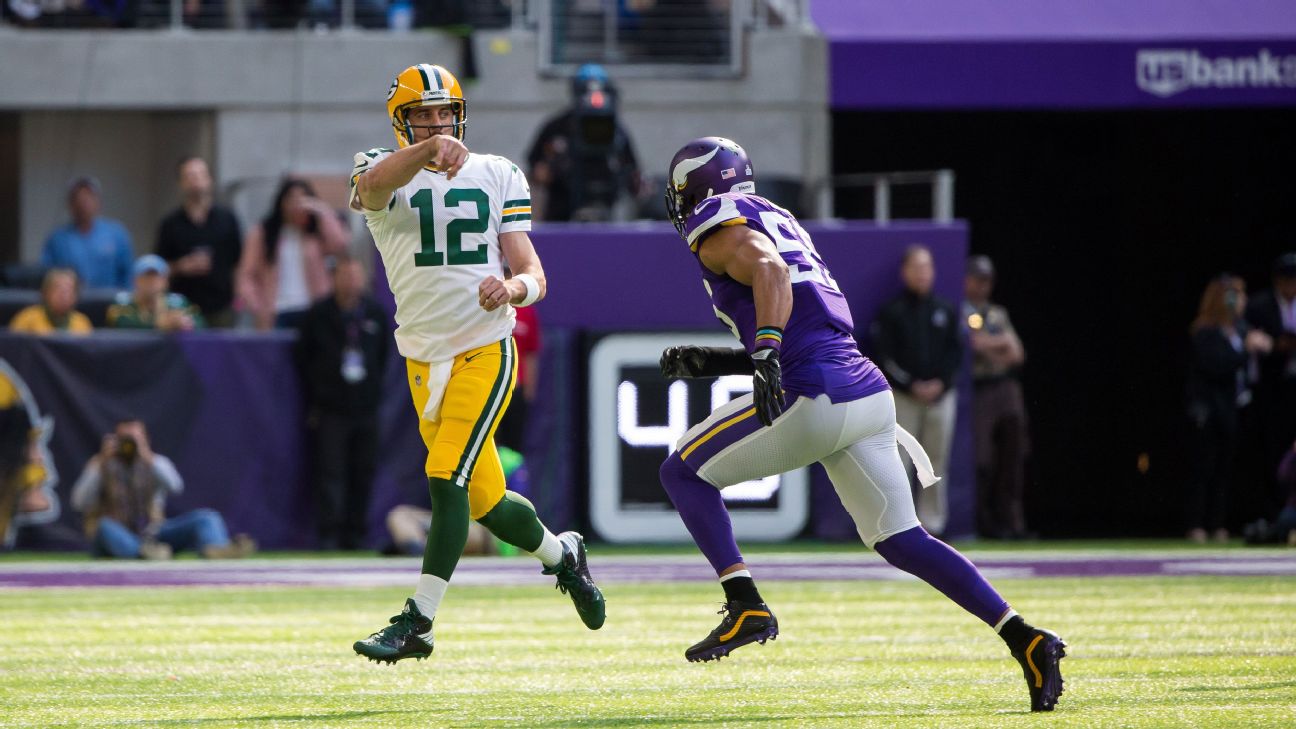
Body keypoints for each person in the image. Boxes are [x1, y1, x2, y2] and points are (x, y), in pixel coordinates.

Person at [657, 137, 1064, 711]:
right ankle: (1025, 638)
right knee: (902, 538)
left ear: (697, 187)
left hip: (814, 393)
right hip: (867, 392)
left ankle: (744, 601)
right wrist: (728, 358)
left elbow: (771, 273)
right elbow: (805, 310)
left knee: (682, 473)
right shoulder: (776, 216)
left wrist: (766, 349)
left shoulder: (717, 223)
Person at [347, 63, 604, 664]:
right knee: (486, 500)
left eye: (444, 113)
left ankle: (419, 621)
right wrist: (428, 151)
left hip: (484, 347)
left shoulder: (499, 174)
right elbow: (375, 189)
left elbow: (534, 272)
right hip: (421, 357)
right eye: (423, 115)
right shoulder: (376, 167)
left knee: (446, 478)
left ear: (460, 115)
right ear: (401, 124)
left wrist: (513, 290)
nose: (437, 124)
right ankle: (563, 556)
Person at [296, 257, 390, 550]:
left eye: (355, 275)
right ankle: (329, 534)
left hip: (366, 407)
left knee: (363, 471)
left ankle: (356, 533)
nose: (351, 281)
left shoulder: (375, 313)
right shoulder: (318, 314)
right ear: (334, 278)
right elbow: (304, 358)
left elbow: (383, 355)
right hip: (331, 408)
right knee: (330, 472)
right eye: (345, 275)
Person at [869, 244, 962, 535]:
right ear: (905, 272)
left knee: (936, 461)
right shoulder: (892, 312)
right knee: (899, 460)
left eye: (927, 267)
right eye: (917, 268)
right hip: (903, 398)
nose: (922, 274)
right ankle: (899, 524)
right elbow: (884, 357)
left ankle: (933, 524)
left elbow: (955, 353)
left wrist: (940, 384)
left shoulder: (945, 310)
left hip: (941, 398)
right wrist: (910, 385)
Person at [69, 419, 255, 559]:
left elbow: (176, 486)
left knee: (207, 517)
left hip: (154, 534)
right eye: (124, 440)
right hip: (117, 535)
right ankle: (141, 553)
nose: (128, 445)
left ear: (146, 439)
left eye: (134, 439)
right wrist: (100, 463)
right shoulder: (101, 464)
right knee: (104, 526)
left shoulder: (154, 463)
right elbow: (78, 502)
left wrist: (146, 455)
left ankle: (216, 548)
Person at [1186, 274, 1272, 543]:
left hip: (1233, 408)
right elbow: (1217, 366)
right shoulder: (1205, 331)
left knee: (1225, 469)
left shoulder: (1242, 328)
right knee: (1205, 467)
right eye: (1237, 296)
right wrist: (1246, 350)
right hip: (1209, 410)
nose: (1243, 301)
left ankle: (1217, 523)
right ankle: (1196, 523)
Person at [963, 255, 1031, 539]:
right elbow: (972, 343)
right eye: (977, 279)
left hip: (1005, 387)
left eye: (987, 281)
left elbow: (1016, 354)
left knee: (1014, 452)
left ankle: (1013, 522)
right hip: (979, 389)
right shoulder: (961, 310)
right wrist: (998, 344)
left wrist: (989, 346)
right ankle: (984, 522)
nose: (983, 286)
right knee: (982, 459)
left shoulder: (997, 313)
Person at [525, 64, 643, 222]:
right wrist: (555, 169)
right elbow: (534, 170)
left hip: (605, 213)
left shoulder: (616, 131)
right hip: (561, 215)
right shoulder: (556, 127)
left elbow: (633, 173)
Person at [237, 178, 349, 330]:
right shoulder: (263, 233)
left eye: (303, 199)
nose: (297, 205)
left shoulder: (315, 234)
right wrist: (257, 306)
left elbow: (340, 243)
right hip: (276, 311)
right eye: (291, 199)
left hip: (313, 309)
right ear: (281, 202)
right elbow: (246, 275)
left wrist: (322, 211)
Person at [156, 157, 244, 327]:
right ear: (181, 183)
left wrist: (238, 300)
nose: (195, 180)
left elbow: (239, 262)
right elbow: (159, 268)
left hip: (222, 307)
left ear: (209, 179)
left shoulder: (227, 219)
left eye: (199, 175)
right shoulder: (170, 224)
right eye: (189, 176)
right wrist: (181, 266)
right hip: (182, 309)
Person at [1244, 252, 1296, 507]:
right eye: (1287, 279)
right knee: (1270, 449)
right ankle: (1272, 509)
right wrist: (1275, 346)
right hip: (1271, 388)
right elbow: (1248, 340)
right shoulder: (1259, 305)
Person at [40, 176, 134, 289]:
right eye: (78, 198)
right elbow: (48, 277)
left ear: (98, 202)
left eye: (89, 197)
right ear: (70, 204)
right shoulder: (57, 239)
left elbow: (128, 276)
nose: (84, 203)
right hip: (71, 303)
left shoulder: (117, 234)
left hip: (110, 302)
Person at [107, 255, 205, 331]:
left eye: (156, 277)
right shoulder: (123, 302)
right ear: (135, 280)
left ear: (166, 281)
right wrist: (159, 325)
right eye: (146, 277)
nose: (152, 282)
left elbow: (201, 324)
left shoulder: (178, 302)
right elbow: (122, 324)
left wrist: (185, 324)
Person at [8, 268, 94, 335]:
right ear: (45, 293)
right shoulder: (27, 319)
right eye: (58, 289)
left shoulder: (82, 323)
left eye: (68, 291)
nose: (63, 295)